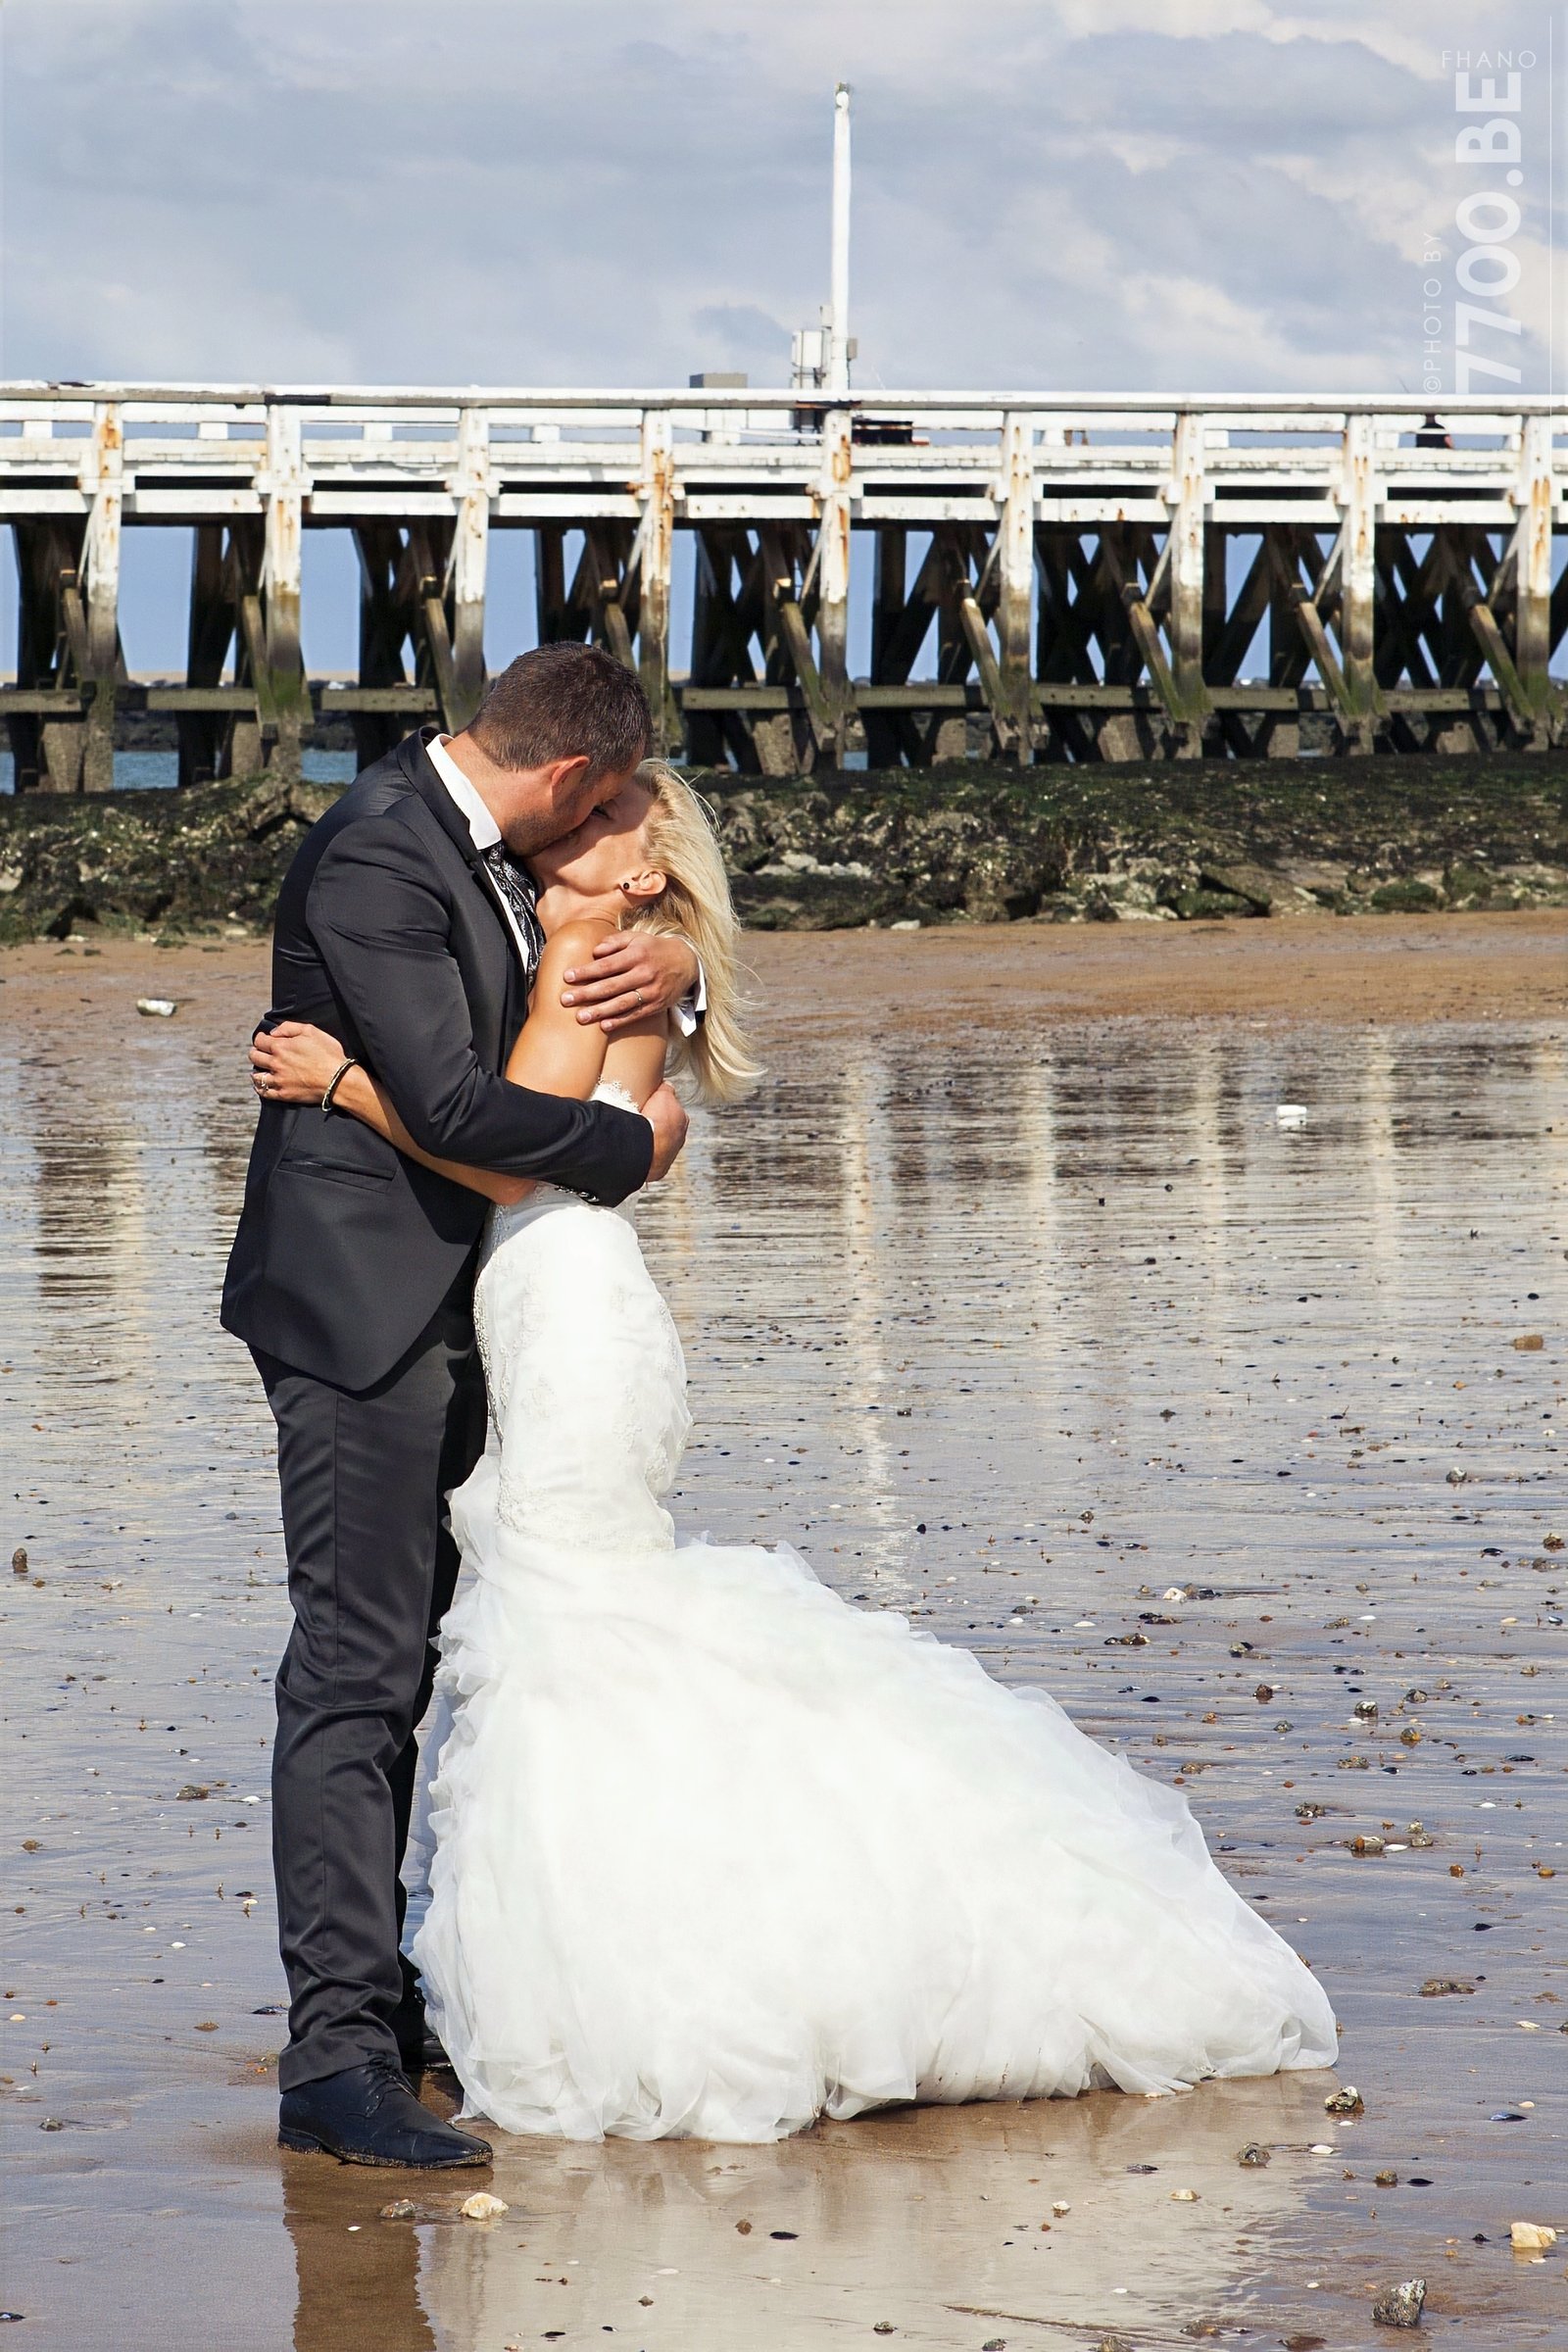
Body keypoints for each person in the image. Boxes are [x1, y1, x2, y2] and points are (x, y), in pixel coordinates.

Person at [250, 761, 1339, 2149]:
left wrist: (348, 1085)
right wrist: (653, 1083)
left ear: (645, 864)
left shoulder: (587, 955)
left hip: (562, 1301)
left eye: (595, 819)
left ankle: (578, 1985)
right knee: (559, 1625)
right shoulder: (614, 948)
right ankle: (535, 1970)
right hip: (568, 1304)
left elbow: (501, 1153)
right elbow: (610, 1130)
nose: (560, 829)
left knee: (561, 1629)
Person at [222, 644, 702, 2169]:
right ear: (571, 777)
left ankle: (389, 2000)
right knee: (355, 1672)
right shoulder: (382, 849)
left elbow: (568, 1006)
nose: (609, 827)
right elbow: (452, 1108)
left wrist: (676, 973)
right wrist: (637, 1147)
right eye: (608, 804)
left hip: (472, 1315)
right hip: (361, 1315)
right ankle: (336, 2062)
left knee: (424, 1664)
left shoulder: (496, 854)